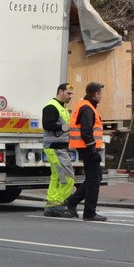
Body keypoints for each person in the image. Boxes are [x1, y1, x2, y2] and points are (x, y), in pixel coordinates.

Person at [65, 81, 107, 221]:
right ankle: (89, 213)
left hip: (85, 147)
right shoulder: (87, 108)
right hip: (88, 148)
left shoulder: (86, 105)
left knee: (95, 178)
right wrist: (93, 151)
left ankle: (72, 201)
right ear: (96, 94)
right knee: (94, 180)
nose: (101, 96)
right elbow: (86, 132)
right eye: (100, 93)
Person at [42, 83, 77, 217]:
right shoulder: (52, 106)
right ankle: (59, 204)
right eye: (68, 93)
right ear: (60, 91)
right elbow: (47, 124)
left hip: (58, 148)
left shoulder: (61, 107)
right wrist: (63, 128)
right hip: (55, 148)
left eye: (72, 94)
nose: (70, 97)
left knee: (57, 177)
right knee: (67, 178)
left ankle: (52, 205)